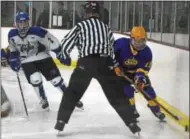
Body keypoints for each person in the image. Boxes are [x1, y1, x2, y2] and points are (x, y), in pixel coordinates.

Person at [54, 1, 141, 135]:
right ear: (98, 13)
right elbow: (111, 48)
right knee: (116, 95)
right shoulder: (105, 28)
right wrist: (115, 65)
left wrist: (63, 55)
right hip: (104, 63)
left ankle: (61, 122)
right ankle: (132, 123)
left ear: (85, 13)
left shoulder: (80, 26)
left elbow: (66, 42)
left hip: (86, 63)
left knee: (72, 93)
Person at [7, 12, 83, 110]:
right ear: (16, 24)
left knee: (57, 80)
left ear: (28, 23)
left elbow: (52, 41)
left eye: (25, 23)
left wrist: (60, 54)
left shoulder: (37, 31)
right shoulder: (12, 34)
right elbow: (12, 48)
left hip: (43, 57)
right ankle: (43, 98)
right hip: (26, 60)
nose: (22, 26)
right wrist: (13, 58)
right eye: (20, 23)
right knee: (35, 79)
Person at [114, 26, 166, 121]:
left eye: (141, 41)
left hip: (136, 73)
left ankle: (156, 110)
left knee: (148, 90)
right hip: (122, 72)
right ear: (131, 39)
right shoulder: (121, 44)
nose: (138, 45)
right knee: (127, 90)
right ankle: (132, 110)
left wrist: (140, 79)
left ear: (145, 40)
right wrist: (115, 65)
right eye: (136, 42)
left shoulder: (147, 52)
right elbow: (110, 54)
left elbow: (143, 70)